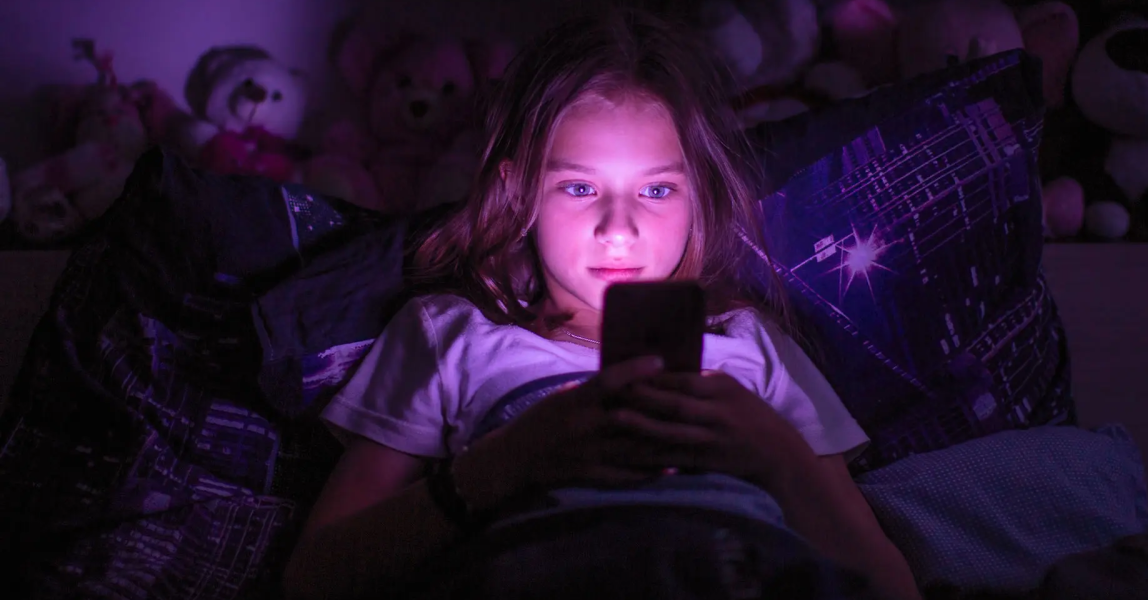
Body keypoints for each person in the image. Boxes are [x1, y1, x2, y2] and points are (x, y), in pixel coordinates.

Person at [284, 7, 920, 600]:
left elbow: (889, 585)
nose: (619, 228)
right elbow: (314, 576)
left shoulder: (751, 345)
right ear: (520, 190)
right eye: (580, 186)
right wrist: (511, 461)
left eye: (658, 189)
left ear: (700, 195)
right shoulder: (452, 338)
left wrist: (773, 452)